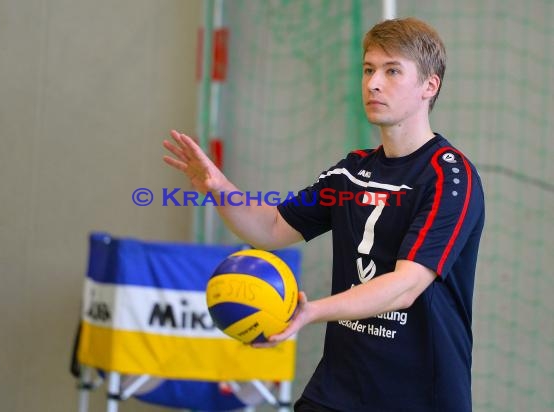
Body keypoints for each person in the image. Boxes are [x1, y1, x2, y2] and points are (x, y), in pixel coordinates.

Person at [163, 17, 484, 412]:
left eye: (392, 71)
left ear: (429, 86)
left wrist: (310, 311)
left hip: (420, 396)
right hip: (339, 390)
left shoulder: (450, 176)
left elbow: (405, 287)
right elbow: (270, 228)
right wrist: (219, 188)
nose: (373, 83)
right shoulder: (350, 171)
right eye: (368, 69)